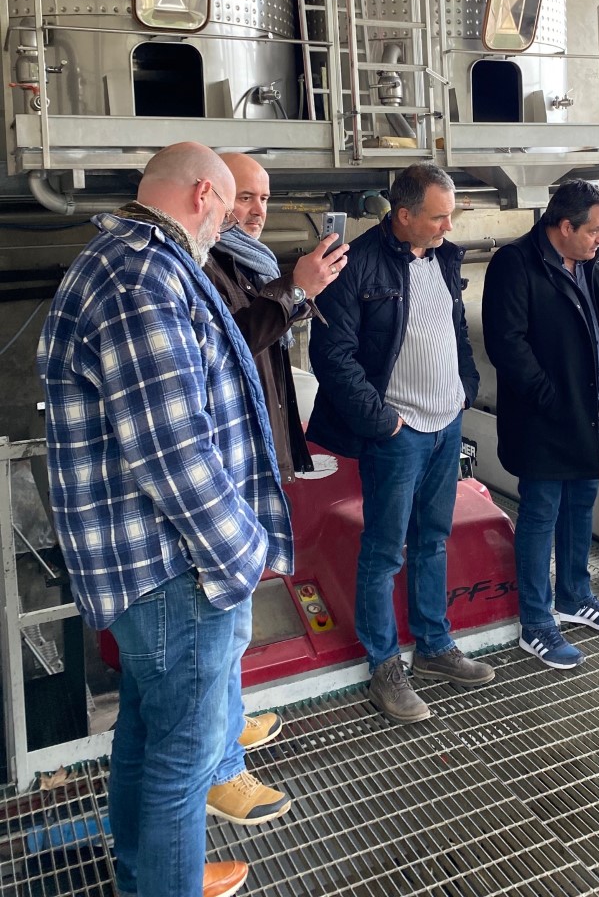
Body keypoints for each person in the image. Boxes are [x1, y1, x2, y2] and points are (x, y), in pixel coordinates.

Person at [38, 142, 293, 897]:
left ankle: (149, 872)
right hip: (176, 566)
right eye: (230, 203)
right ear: (204, 195)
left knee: (148, 732)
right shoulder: (140, 278)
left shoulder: (135, 262)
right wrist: (241, 548)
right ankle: (166, 883)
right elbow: (171, 451)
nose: (232, 221)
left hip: (156, 561)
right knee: (185, 755)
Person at [306, 162, 492, 723]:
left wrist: (465, 388)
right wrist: (382, 421)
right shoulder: (356, 264)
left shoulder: (444, 257)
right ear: (403, 215)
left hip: (446, 424)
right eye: (438, 217)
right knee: (385, 550)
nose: (448, 227)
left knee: (433, 538)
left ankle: (433, 645)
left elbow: (454, 331)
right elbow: (331, 355)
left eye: (451, 216)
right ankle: (385, 666)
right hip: (399, 433)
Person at [203, 152, 348, 826]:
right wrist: (296, 291)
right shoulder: (204, 264)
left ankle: (227, 719)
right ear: (209, 196)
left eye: (264, 197)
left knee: (235, 616)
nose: (257, 210)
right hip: (222, 470)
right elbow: (232, 346)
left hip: (251, 462)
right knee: (219, 623)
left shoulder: (246, 264)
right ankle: (219, 770)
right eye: (244, 197)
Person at [482, 179, 599, 671]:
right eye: (594, 230)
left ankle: (574, 595)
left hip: (588, 413)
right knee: (541, 513)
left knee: (580, 506)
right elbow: (507, 344)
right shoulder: (515, 263)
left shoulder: (592, 264)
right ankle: (537, 622)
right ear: (564, 226)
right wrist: (549, 397)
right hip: (542, 419)